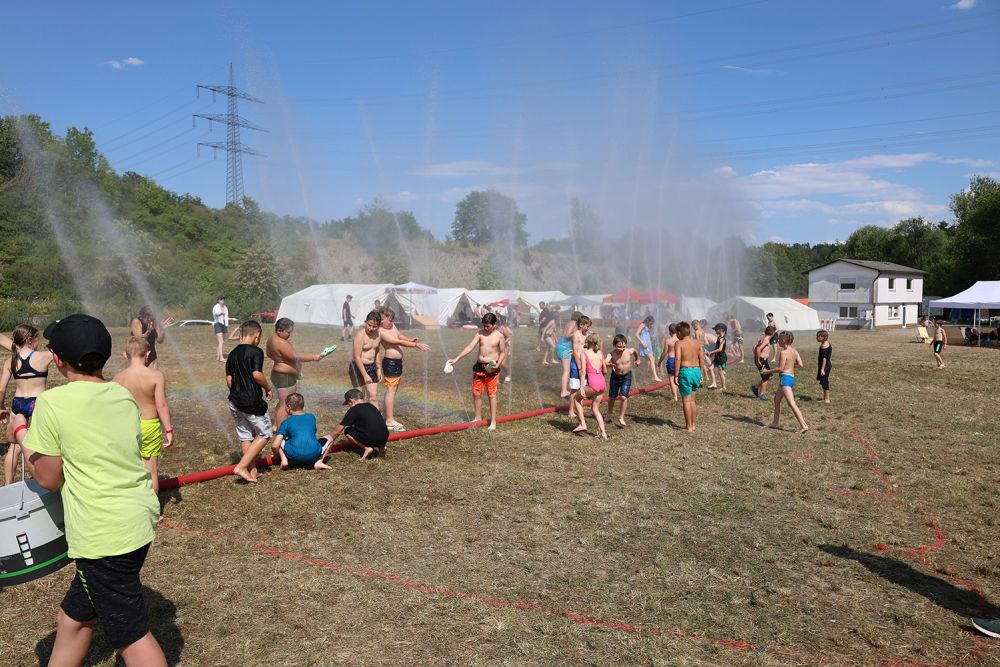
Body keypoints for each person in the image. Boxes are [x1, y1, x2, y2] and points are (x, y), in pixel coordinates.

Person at [20, 314, 166, 666]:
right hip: (136, 517)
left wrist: (24, 439)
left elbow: (48, 478)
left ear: (57, 360)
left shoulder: (53, 403)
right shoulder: (122, 394)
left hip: (104, 533)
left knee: (131, 636)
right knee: (73, 618)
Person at [112, 336, 173, 495]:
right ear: (148, 354)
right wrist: (168, 430)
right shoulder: (155, 376)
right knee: (151, 470)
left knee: (130, 467)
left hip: (127, 427)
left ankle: (134, 501)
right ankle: (153, 510)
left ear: (125, 355)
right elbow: (161, 405)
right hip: (149, 425)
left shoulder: (117, 379)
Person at [0, 325, 54, 485]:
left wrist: (1, 406)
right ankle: (38, 478)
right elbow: (60, 352)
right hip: (36, 403)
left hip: (18, 402)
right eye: (37, 339)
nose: (39, 342)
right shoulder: (44, 357)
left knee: (13, 447)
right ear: (30, 340)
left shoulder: (10, 360)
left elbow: (2, 388)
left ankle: (8, 486)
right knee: (40, 444)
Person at [225, 320, 273, 483]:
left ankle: (252, 471)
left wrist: (237, 394)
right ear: (257, 336)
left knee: (246, 436)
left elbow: (229, 380)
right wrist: (268, 388)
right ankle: (241, 466)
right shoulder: (256, 351)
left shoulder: (232, 354)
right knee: (265, 433)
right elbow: (257, 375)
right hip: (251, 402)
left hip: (234, 402)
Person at [447, 313, 507, 431]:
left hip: (491, 368)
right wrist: (457, 358)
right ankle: (478, 417)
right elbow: (470, 347)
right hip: (479, 367)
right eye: (484, 325)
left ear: (494, 325)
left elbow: (503, 352)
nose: (485, 328)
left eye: (488, 326)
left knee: (491, 394)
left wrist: (498, 365)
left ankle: (493, 421)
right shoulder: (480, 333)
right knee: (476, 393)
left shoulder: (499, 336)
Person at [265, 318, 323, 430]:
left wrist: (280, 360)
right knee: (285, 404)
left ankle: (276, 425)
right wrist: (314, 357)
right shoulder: (280, 342)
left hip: (277, 373)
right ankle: (282, 431)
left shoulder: (271, 339)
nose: (289, 335)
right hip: (285, 376)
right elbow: (294, 357)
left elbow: (269, 353)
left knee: (282, 401)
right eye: (288, 332)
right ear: (279, 330)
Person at [378, 307, 430, 432]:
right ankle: (389, 421)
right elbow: (396, 341)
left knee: (392, 390)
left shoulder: (391, 326)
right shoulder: (380, 331)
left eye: (392, 320)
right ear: (381, 319)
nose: (390, 322)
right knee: (391, 390)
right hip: (390, 363)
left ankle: (386, 416)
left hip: (397, 363)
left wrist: (409, 339)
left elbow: (399, 336)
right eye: (388, 320)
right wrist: (416, 345)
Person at [761, 331, 809, 433]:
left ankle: (804, 425)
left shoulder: (783, 353)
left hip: (785, 379)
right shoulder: (794, 351)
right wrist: (790, 366)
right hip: (791, 377)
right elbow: (800, 365)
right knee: (776, 399)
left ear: (783, 341)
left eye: (779, 340)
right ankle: (775, 423)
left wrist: (767, 371)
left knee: (791, 403)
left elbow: (781, 368)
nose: (778, 341)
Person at [273, 393, 335, 470]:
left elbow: (275, 446)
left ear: (289, 407)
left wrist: (276, 457)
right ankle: (319, 461)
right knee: (330, 438)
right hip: (314, 454)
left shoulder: (286, 422)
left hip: (293, 455)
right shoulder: (311, 417)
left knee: (280, 439)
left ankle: (284, 460)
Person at [330, 388, 391, 460]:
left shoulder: (353, 410)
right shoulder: (372, 406)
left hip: (371, 438)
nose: (348, 406)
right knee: (376, 429)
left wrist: (330, 440)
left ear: (351, 401)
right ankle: (381, 449)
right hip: (384, 437)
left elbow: (338, 430)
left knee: (347, 430)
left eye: (348, 403)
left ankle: (367, 448)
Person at [572, 333, 609, 439]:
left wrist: (581, 387)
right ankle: (604, 434)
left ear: (588, 342)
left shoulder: (584, 354)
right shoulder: (601, 353)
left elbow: (583, 372)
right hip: (602, 383)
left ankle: (583, 424)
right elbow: (605, 370)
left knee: (577, 398)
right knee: (595, 409)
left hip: (593, 384)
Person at [674, 321, 705, 432]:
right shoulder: (697, 343)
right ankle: (693, 425)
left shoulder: (679, 343)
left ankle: (688, 427)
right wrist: (701, 372)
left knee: (686, 401)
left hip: (685, 372)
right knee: (692, 400)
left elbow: (677, 359)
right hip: (696, 371)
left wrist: (676, 374)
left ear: (679, 333)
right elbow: (701, 358)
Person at [605, 333, 639, 429]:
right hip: (615, 377)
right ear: (614, 345)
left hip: (626, 376)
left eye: (623, 346)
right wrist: (610, 364)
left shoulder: (628, 351)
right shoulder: (611, 354)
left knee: (624, 397)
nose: (621, 349)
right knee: (612, 397)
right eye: (619, 347)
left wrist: (637, 359)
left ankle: (621, 417)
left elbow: (635, 351)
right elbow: (605, 362)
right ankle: (609, 413)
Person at [350, 310, 383, 407]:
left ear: (378, 326)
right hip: (358, 367)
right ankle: (359, 421)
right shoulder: (360, 335)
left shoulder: (378, 335)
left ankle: (376, 420)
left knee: (373, 397)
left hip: (372, 367)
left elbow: (377, 352)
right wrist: (365, 375)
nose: (371, 328)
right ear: (365, 322)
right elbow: (356, 357)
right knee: (359, 398)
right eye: (369, 325)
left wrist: (379, 369)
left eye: (374, 326)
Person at [568, 315, 593, 423]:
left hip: (584, 363)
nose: (588, 328)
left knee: (582, 387)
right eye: (587, 326)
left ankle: (579, 409)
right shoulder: (576, 335)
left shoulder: (587, 334)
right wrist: (579, 367)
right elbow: (575, 352)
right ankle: (570, 411)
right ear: (581, 325)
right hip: (576, 364)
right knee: (574, 388)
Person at [555, 311, 579, 396]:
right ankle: (563, 391)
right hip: (564, 347)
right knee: (566, 371)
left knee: (567, 370)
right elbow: (567, 335)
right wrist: (577, 333)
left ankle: (565, 389)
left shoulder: (571, 323)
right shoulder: (573, 323)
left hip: (564, 347)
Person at [751, 325, 777, 402]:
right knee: (765, 378)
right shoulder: (766, 340)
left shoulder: (763, 339)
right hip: (762, 360)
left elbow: (754, 346)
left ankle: (755, 387)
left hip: (764, 360)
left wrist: (756, 357)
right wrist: (758, 360)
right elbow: (758, 349)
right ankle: (761, 395)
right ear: (772, 334)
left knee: (769, 376)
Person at [656, 323, 680, 401]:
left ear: (670, 332)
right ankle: (682, 394)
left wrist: (659, 362)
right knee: (678, 377)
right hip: (679, 360)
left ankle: (675, 396)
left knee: (672, 378)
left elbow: (664, 352)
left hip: (671, 360)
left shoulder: (668, 341)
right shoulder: (680, 340)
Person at [635, 315, 662, 383]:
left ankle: (644, 379)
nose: (652, 324)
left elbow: (646, 334)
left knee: (648, 362)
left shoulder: (647, 326)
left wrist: (652, 337)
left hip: (648, 344)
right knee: (652, 359)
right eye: (651, 322)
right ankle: (655, 376)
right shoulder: (642, 324)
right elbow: (636, 334)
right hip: (644, 345)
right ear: (648, 320)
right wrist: (642, 343)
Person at [706, 323, 728, 391]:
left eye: (716, 329)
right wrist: (712, 354)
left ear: (721, 330)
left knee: (720, 372)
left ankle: (724, 387)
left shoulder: (722, 339)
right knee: (710, 368)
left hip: (721, 358)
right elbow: (717, 347)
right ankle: (714, 383)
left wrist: (711, 352)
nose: (715, 331)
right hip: (717, 357)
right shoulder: (719, 338)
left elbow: (720, 349)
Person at [816, 330, 832, 403]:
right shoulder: (825, 343)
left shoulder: (824, 346)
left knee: (825, 381)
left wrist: (822, 369)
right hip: (825, 365)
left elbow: (824, 359)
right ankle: (825, 398)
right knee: (823, 381)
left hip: (825, 366)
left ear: (823, 337)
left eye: (818, 336)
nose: (816, 338)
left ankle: (827, 399)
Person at [213, 295, 229, 362]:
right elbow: (215, 314)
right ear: (218, 300)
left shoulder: (225, 307)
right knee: (221, 342)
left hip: (224, 324)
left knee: (221, 342)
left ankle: (218, 357)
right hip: (218, 324)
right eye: (221, 299)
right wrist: (220, 313)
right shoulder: (216, 307)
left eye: (223, 299)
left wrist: (231, 319)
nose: (223, 300)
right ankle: (221, 358)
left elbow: (226, 316)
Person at [498, 316, 514, 383]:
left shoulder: (503, 328)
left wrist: (503, 342)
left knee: (503, 363)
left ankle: (508, 374)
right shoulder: (493, 329)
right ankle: (497, 380)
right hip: (497, 348)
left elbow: (509, 336)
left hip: (505, 347)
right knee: (496, 363)